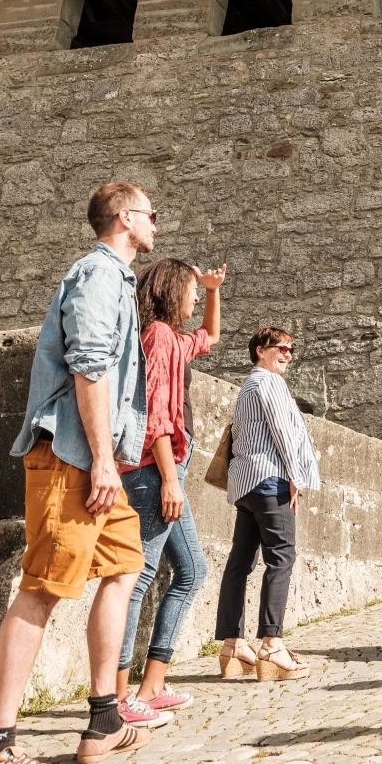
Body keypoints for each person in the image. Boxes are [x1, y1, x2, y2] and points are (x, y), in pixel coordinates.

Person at [0, 181, 162, 764]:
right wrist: (103, 458)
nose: (157, 222)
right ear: (126, 218)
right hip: (73, 457)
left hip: (99, 462)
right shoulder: (98, 276)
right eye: (151, 214)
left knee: (125, 567)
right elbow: (90, 365)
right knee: (43, 589)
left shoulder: (119, 280)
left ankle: (103, 720)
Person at [115, 257, 226, 723]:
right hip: (152, 469)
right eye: (192, 290)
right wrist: (167, 480)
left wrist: (214, 288)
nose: (196, 298)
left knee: (191, 571)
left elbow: (211, 337)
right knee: (137, 578)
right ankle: (117, 698)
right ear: (169, 291)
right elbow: (157, 416)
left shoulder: (172, 339)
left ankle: (153, 684)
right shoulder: (158, 337)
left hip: (166, 468)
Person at [213, 327, 321, 682]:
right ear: (261, 351)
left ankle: (232, 645)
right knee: (282, 557)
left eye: (292, 349)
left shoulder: (248, 386)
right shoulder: (268, 382)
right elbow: (282, 432)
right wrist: (295, 477)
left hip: (246, 483)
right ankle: (272, 644)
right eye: (282, 348)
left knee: (240, 561)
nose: (289, 354)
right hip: (271, 478)